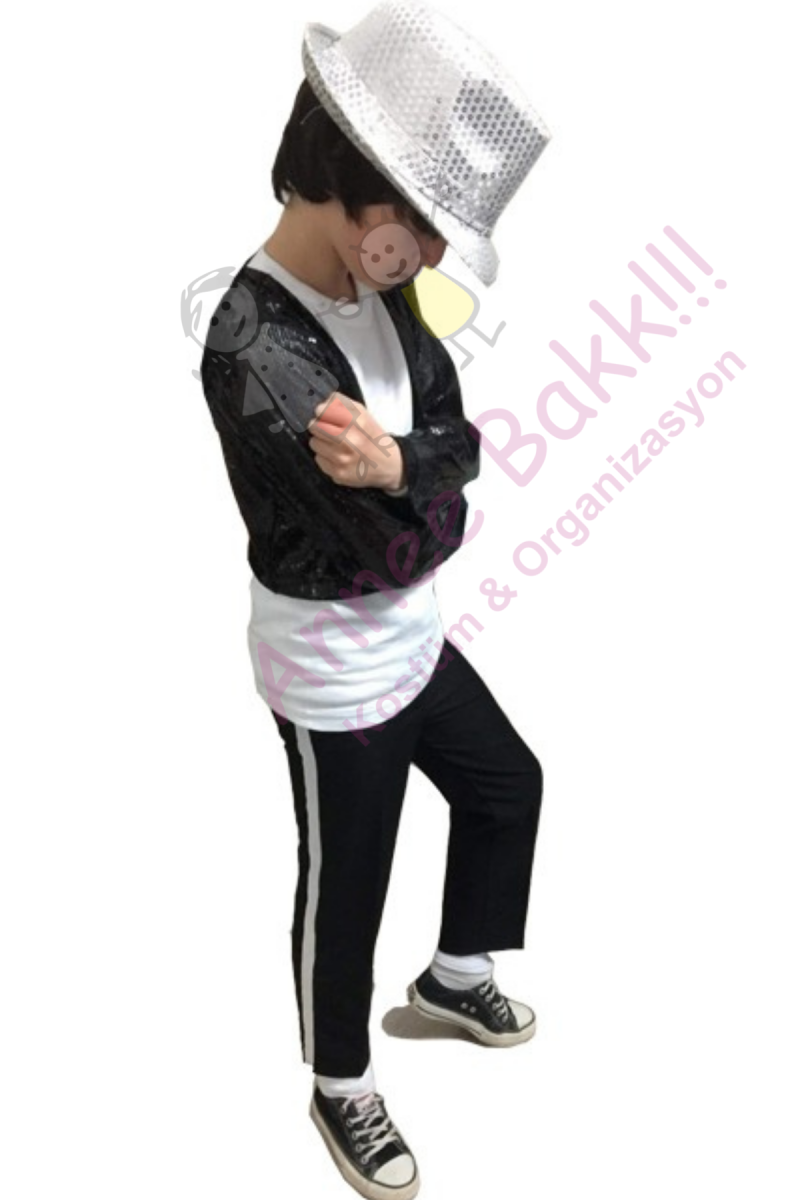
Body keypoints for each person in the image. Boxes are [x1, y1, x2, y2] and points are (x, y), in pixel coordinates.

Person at [199, 2, 552, 1196]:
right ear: (347, 182)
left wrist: (405, 463)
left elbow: (459, 444)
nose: (434, 259)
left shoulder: (379, 284)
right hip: (334, 671)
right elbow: (404, 540)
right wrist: (427, 485)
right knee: (347, 882)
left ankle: (452, 977)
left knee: (505, 787)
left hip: (409, 638)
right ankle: (338, 1082)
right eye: (424, 221)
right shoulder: (252, 345)